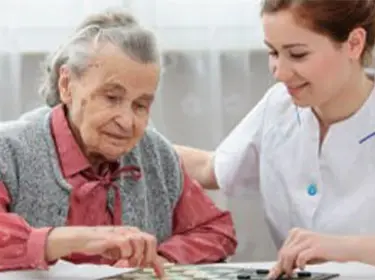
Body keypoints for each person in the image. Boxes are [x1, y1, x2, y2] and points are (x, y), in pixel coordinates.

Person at [0, 10, 237, 276]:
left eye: (140, 105)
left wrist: (157, 258)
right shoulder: (9, 150)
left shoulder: (156, 154)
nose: (126, 121)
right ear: (66, 85)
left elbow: (215, 230)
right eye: (112, 98)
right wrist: (78, 240)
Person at [174, 0, 375, 278]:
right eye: (273, 52)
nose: (279, 72)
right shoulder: (279, 106)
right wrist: (131, 144)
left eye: (297, 54)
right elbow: (213, 169)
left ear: (354, 43)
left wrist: (343, 248)